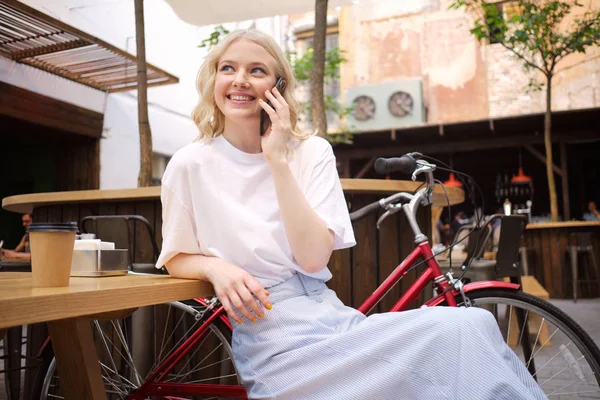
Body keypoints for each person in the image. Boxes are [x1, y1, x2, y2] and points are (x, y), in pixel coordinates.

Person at [156, 29, 546, 399]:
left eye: (256, 70)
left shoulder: (310, 153)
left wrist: (276, 158)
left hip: (331, 316)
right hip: (270, 334)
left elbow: (312, 259)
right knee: (458, 336)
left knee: (472, 323)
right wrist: (215, 269)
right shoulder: (190, 164)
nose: (240, 79)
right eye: (228, 68)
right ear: (213, 79)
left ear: (278, 87)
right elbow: (175, 255)